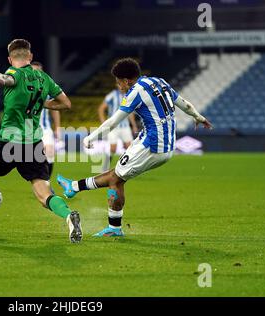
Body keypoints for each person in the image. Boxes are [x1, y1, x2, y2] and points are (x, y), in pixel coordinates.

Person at [57, 58, 212, 237]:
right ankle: (86, 200)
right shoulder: (158, 81)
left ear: (127, 81)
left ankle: (76, 189)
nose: (118, 86)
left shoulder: (135, 92)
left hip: (153, 146)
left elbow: (113, 122)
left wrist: (91, 137)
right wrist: (198, 116)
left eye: (118, 81)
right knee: (117, 178)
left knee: (114, 178)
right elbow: (183, 103)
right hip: (159, 142)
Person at [0, 39, 83, 243]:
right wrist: (42, 103)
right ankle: (68, 215)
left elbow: (5, 79)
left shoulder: (14, 73)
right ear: (30, 57)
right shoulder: (44, 77)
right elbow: (66, 103)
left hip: (9, 142)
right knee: (43, 192)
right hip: (33, 143)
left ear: (9, 58)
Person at [31, 61, 61, 177]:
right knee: (31, 158)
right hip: (29, 127)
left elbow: (54, 109)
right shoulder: (23, 89)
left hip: (45, 127)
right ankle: (39, 182)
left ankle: (46, 182)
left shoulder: (47, 88)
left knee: (50, 153)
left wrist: (57, 127)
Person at [98, 86, 138, 172]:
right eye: (119, 84)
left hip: (125, 126)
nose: (121, 86)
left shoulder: (129, 96)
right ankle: (105, 168)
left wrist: (133, 125)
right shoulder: (112, 95)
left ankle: (127, 168)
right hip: (113, 126)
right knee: (113, 148)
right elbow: (101, 108)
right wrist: (104, 123)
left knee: (129, 148)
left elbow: (130, 113)